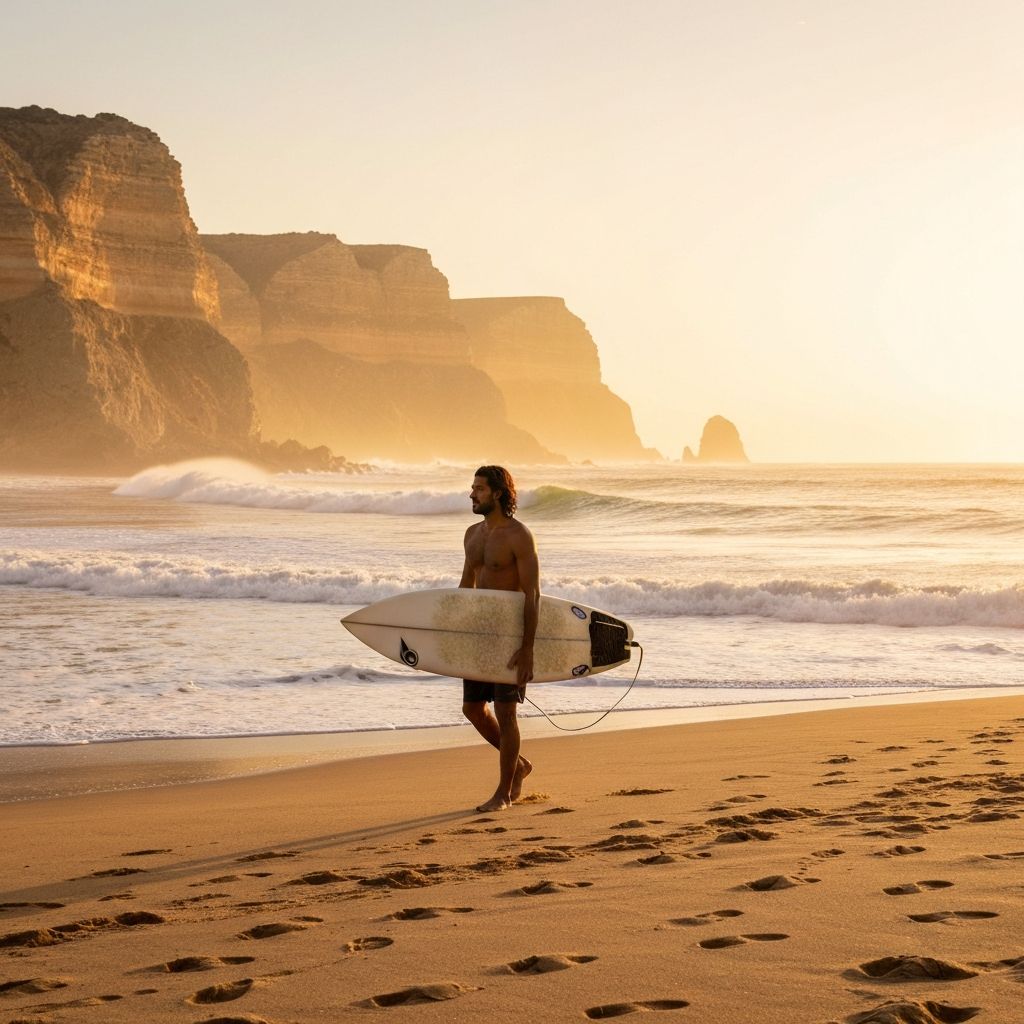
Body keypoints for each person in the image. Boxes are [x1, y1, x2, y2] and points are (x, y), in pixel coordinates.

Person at [459, 465, 538, 811]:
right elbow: (466, 588)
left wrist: (528, 648)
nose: (472, 494)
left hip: (509, 635)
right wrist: (441, 642)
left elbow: (532, 594)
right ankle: (519, 766)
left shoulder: (519, 536)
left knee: (507, 715)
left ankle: (503, 794)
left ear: (498, 493)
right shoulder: (472, 534)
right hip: (479, 635)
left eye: (479, 489)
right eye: (473, 488)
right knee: (473, 708)